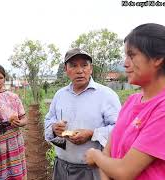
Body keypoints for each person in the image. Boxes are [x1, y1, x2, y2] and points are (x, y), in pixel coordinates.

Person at [85, 23, 165, 180]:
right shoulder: (132, 101)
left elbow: (124, 171)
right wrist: (103, 159)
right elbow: (109, 153)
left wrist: (95, 156)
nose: (125, 63)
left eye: (132, 56)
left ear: (158, 58)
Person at [44, 48, 121, 180]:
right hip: (61, 167)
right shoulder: (60, 95)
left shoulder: (106, 95)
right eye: (73, 65)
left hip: (92, 169)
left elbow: (119, 129)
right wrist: (53, 127)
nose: (80, 70)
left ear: (91, 69)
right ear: (66, 69)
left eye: (84, 65)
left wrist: (92, 134)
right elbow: (48, 119)